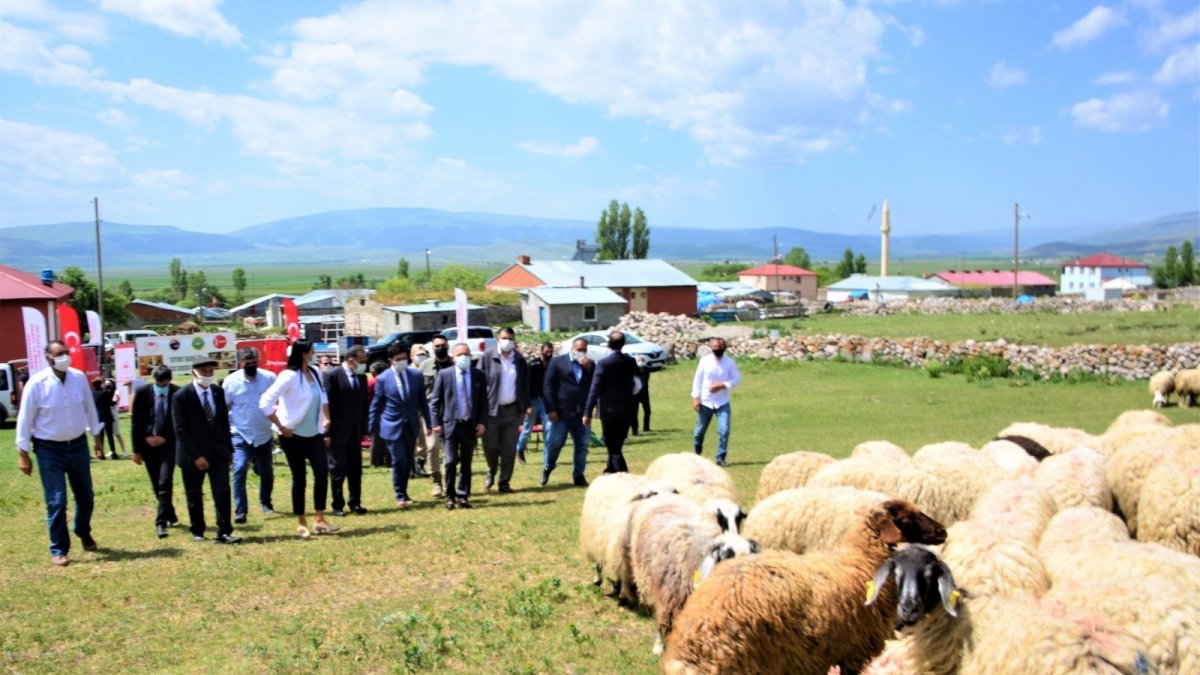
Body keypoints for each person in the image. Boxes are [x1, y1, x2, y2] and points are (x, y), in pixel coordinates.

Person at [15, 340, 105, 566]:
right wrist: (23, 454)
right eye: (59, 354)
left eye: (66, 352)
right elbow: (25, 419)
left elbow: (89, 408)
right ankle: (59, 548)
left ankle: (82, 530)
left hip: (77, 445)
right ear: (48, 357)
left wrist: (97, 439)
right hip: (48, 449)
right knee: (56, 500)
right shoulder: (36, 383)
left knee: (86, 496)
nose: (64, 356)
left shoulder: (78, 378)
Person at [260, 340, 338, 539]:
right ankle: (301, 522)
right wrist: (280, 426)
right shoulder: (288, 376)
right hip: (292, 435)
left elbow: (324, 398)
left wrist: (326, 417)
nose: (314, 353)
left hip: (315, 433)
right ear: (304, 353)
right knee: (299, 478)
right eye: (312, 351)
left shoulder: (315, 373)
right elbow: (265, 402)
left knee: (321, 473)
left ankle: (319, 519)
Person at [173, 357, 241, 544]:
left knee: (222, 491)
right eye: (204, 371)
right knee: (194, 493)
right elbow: (181, 429)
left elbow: (223, 423)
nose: (208, 375)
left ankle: (224, 531)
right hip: (192, 454)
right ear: (194, 372)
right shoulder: (182, 396)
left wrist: (229, 452)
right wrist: (196, 456)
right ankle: (197, 530)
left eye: (211, 371)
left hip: (218, 451)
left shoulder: (218, 392)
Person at [367, 342, 430, 509]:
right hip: (391, 424)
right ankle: (400, 495)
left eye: (403, 358)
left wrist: (429, 423)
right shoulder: (383, 379)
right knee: (399, 459)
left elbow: (422, 401)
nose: (401, 361)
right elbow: (376, 404)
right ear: (390, 360)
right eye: (398, 359)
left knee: (408, 460)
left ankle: (404, 492)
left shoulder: (415, 375)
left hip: (411, 424)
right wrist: (371, 427)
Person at [430, 343, 487, 510]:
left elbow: (484, 402)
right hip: (450, 425)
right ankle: (450, 496)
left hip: (470, 425)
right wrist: (435, 423)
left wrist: (482, 422)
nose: (464, 357)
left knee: (467, 463)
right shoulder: (444, 374)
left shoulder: (478, 375)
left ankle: (463, 495)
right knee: (451, 461)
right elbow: (435, 402)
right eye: (460, 354)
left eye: (467, 354)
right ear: (453, 357)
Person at [223, 347, 277, 523]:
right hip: (240, 432)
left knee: (266, 471)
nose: (251, 367)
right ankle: (241, 510)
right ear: (241, 364)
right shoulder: (231, 382)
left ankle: (266, 502)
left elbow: (276, 403)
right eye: (247, 364)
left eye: (254, 363)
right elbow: (226, 407)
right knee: (239, 468)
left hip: (263, 432)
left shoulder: (269, 378)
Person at [130, 365, 180, 538]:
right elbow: (136, 422)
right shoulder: (143, 392)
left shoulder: (177, 394)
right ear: (154, 380)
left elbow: (180, 424)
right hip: (148, 445)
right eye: (158, 383)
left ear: (169, 381)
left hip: (168, 445)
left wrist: (165, 438)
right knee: (156, 483)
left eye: (164, 384)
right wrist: (137, 450)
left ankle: (161, 523)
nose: (161, 387)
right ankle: (169, 512)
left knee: (165, 482)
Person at [478, 327, 528, 493]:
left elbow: (523, 385)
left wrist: (523, 407)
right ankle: (491, 470)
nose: (508, 341)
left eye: (511, 338)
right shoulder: (487, 357)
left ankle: (504, 482)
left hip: (512, 411)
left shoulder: (519, 360)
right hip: (491, 411)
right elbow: (478, 384)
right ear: (498, 339)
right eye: (504, 338)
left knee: (508, 449)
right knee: (490, 446)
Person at [584, 331, 640, 474]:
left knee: (611, 444)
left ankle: (621, 471)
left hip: (609, 410)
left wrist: (587, 412)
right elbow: (638, 382)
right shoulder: (630, 361)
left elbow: (594, 389)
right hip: (627, 408)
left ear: (608, 344)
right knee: (618, 442)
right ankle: (611, 468)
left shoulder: (603, 363)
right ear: (623, 344)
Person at [541, 337, 594, 488]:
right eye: (579, 349)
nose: (582, 352)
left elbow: (595, 385)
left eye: (584, 350)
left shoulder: (590, 365)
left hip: (582, 413)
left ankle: (579, 476)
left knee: (582, 445)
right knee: (555, 444)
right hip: (561, 413)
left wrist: (589, 368)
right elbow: (548, 386)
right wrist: (550, 409)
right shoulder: (557, 362)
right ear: (572, 349)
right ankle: (548, 466)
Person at [324, 345, 370, 515]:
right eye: (362, 361)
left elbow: (364, 405)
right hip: (336, 432)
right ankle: (337, 504)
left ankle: (355, 502)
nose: (364, 364)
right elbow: (325, 405)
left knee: (355, 468)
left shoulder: (362, 378)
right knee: (338, 469)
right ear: (351, 360)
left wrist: (365, 429)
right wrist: (326, 432)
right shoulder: (332, 376)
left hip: (355, 431)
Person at [691, 337, 741, 468]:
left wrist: (723, 385)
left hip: (722, 402)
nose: (717, 349)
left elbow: (736, 379)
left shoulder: (729, 362)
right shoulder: (705, 361)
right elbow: (698, 379)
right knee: (699, 432)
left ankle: (720, 457)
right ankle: (697, 454)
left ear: (724, 348)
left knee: (724, 430)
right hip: (705, 402)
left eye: (719, 347)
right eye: (714, 347)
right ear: (711, 348)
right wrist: (696, 397)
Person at [419, 335, 455, 497]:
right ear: (432, 348)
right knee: (432, 447)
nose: (440, 348)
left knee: (451, 450)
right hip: (430, 413)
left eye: (443, 345)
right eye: (437, 346)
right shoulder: (425, 366)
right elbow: (419, 392)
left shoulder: (455, 364)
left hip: (451, 413)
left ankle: (449, 482)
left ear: (447, 346)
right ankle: (436, 482)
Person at [516, 341, 554, 464]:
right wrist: (526, 405)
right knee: (527, 428)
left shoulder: (553, 365)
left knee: (548, 428)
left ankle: (547, 458)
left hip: (546, 402)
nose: (549, 353)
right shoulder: (533, 364)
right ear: (541, 351)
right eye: (547, 351)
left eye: (551, 351)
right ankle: (520, 449)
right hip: (533, 401)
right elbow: (526, 385)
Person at [409, 344, 433, 479]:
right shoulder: (408, 371)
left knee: (423, 439)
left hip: (424, 408)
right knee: (413, 438)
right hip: (412, 409)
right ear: (412, 356)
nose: (421, 357)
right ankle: (411, 467)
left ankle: (420, 465)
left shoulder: (427, 369)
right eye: (418, 355)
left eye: (423, 354)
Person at [367, 360, 390, 468]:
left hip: (375, 412)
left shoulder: (371, 382)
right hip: (387, 411)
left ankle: (375, 461)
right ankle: (389, 460)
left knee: (376, 439)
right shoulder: (388, 380)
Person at [91, 377, 119, 460]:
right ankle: (113, 452)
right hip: (107, 416)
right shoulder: (105, 392)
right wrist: (116, 400)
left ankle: (101, 453)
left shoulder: (92, 393)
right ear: (100, 384)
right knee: (110, 435)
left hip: (98, 417)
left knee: (101, 436)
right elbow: (110, 404)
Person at [106, 378, 128, 456]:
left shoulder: (116, 391)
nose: (107, 385)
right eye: (106, 383)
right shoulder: (105, 392)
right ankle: (112, 450)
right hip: (107, 413)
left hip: (113, 412)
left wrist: (115, 400)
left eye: (108, 383)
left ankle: (124, 451)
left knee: (117, 433)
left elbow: (115, 401)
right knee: (109, 434)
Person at [630, 359, 652, 435]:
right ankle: (635, 430)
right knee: (634, 412)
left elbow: (645, 377)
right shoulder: (633, 370)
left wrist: (642, 368)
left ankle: (646, 427)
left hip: (644, 393)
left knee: (647, 410)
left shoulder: (645, 369)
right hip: (635, 393)